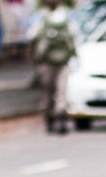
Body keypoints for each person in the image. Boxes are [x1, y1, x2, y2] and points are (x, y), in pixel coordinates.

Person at [30, 0, 77, 135]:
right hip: (46, 61)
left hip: (63, 61)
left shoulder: (67, 15)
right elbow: (32, 39)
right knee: (48, 91)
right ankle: (49, 117)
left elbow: (74, 38)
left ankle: (61, 118)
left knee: (61, 91)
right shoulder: (40, 16)